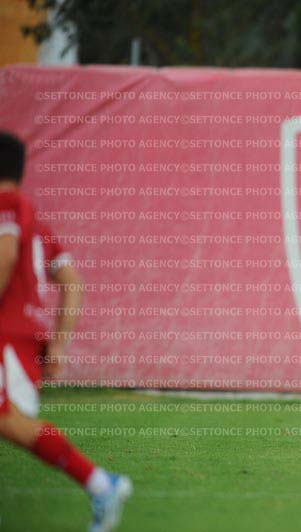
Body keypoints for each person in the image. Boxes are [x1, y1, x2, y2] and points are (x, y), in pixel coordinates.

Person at [0, 131, 132, 531]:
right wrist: (57, 345)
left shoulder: (7, 204)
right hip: (24, 340)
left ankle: (100, 483)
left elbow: (5, 256)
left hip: (7, 339)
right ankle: (100, 484)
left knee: (9, 421)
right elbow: (72, 282)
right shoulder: (36, 222)